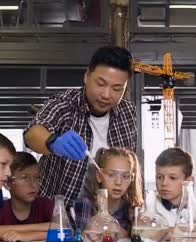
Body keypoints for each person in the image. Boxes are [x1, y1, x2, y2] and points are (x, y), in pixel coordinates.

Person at [24, 45, 137, 206]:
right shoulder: (65, 104)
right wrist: (52, 142)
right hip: (58, 212)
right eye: (100, 83)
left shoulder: (127, 113)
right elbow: (32, 134)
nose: (106, 95)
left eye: (116, 89)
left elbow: (128, 166)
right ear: (86, 76)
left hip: (106, 212)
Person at [0, 152, 54, 242]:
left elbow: (65, 230)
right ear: (7, 184)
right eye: (24, 178)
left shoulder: (45, 204)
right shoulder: (1, 207)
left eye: (37, 178)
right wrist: (43, 227)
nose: (33, 184)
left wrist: (27, 236)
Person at [73, 147, 143, 238]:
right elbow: (80, 239)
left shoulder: (133, 208)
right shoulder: (85, 205)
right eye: (111, 175)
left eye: (125, 176)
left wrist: (125, 233)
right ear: (99, 176)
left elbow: (142, 238)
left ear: (131, 179)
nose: (118, 182)